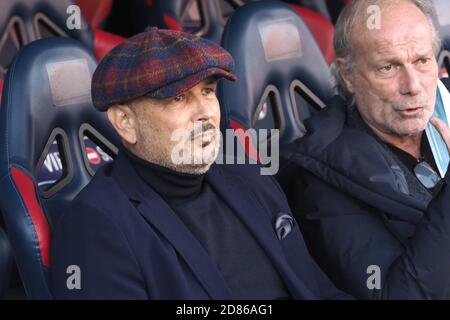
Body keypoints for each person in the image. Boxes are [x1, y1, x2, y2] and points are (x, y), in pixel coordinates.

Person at [50, 27, 349, 300]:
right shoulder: (96, 223)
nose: (205, 113)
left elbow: (319, 291)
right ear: (126, 122)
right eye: (178, 98)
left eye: (207, 91)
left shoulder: (249, 175)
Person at [278, 0, 450, 299]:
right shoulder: (319, 181)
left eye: (422, 61)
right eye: (388, 67)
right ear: (348, 75)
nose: (413, 85)